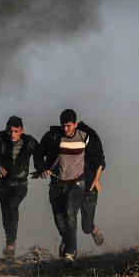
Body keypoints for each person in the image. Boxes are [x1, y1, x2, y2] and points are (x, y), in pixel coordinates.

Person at [35, 109, 106, 263]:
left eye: (68, 126)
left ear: (75, 124)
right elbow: (39, 153)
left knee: (74, 216)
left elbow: (100, 156)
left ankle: (70, 252)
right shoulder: (53, 137)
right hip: (57, 184)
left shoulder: (85, 136)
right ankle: (68, 242)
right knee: (61, 223)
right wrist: (42, 169)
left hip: (79, 184)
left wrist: (96, 179)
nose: (66, 129)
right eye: (63, 126)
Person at [0, 116, 39, 260]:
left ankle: (10, 244)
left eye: (16, 131)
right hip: (3, 183)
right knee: (5, 212)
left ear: (22, 131)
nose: (12, 134)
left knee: (12, 205)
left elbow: (41, 154)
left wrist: (42, 169)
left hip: (21, 183)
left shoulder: (29, 142)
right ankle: (10, 240)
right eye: (9, 131)